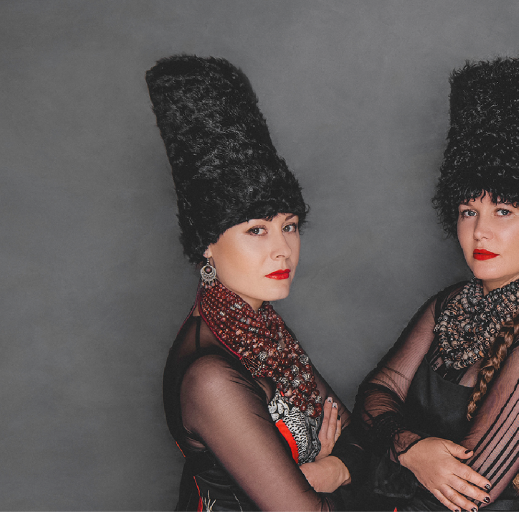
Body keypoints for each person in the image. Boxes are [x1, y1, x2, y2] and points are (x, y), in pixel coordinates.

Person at [355, 49, 519, 512]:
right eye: (468, 211)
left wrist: (373, 455)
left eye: (503, 211)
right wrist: (412, 450)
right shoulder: (447, 306)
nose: (480, 231)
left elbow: (466, 494)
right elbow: (374, 393)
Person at [149, 55, 362, 511]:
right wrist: (335, 472)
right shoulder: (210, 376)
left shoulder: (260, 327)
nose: (282, 249)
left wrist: (334, 470)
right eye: (256, 230)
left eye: (289, 226)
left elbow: (361, 438)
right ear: (208, 244)